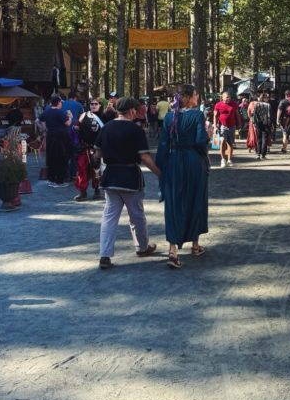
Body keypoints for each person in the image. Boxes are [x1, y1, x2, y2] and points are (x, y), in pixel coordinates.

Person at [97, 97, 159, 268]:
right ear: (131, 111)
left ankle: (105, 255)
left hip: (110, 177)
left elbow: (97, 154)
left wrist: (96, 170)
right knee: (137, 216)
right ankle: (142, 247)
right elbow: (145, 157)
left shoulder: (106, 128)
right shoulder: (135, 130)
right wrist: (161, 174)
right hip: (130, 177)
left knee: (109, 217)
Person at [155, 84, 209, 269]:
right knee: (196, 200)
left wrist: (162, 167)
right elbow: (200, 141)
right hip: (193, 162)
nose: (197, 97)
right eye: (196, 94)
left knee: (174, 204)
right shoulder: (197, 115)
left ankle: (173, 251)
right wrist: (207, 139)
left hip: (174, 162)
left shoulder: (169, 117)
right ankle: (195, 245)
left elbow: (163, 145)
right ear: (189, 97)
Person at [74, 99, 104, 201]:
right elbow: (76, 126)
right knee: (82, 169)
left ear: (100, 105)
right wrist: (75, 128)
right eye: (92, 104)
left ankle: (97, 191)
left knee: (96, 171)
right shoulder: (83, 115)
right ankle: (82, 192)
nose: (94, 105)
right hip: (84, 147)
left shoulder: (104, 116)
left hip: (97, 149)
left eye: (96, 104)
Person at [40, 94, 72, 186]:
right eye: (61, 103)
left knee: (51, 156)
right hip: (61, 137)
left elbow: (38, 121)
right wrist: (70, 116)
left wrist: (44, 129)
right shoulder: (60, 112)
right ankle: (60, 180)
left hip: (50, 136)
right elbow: (67, 124)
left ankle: (51, 179)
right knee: (61, 157)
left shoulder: (47, 111)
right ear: (58, 103)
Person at [212, 90, 239, 167]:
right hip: (222, 126)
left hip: (232, 126)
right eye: (227, 97)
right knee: (223, 141)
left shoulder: (234, 104)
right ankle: (223, 159)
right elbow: (215, 116)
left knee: (230, 143)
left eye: (229, 97)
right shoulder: (218, 105)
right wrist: (215, 126)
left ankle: (229, 160)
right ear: (222, 98)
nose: (228, 99)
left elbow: (237, 114)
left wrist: (239, 123)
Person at [252, 91, 273, 159]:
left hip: (258, 123)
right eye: (267, 97)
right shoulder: (268, 105)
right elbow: (270, 116)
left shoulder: (256, 105)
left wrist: (254, 123)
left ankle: (258, 154)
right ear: (264, 98)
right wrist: (271, 124)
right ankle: (263, 155)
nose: (268, 98)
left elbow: (254, 115)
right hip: (266, 123)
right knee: (265, 139)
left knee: (259, 139)